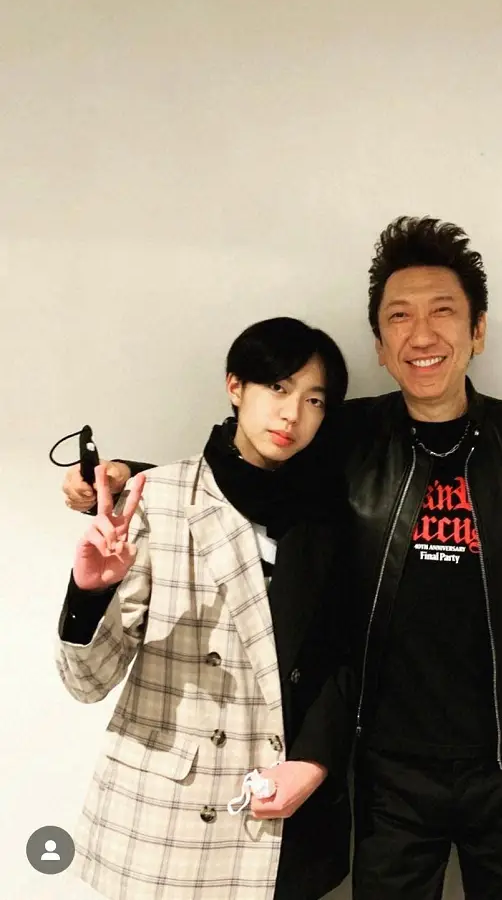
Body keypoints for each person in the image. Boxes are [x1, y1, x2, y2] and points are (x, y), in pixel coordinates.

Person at [63, 216, 502, 900]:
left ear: (478, 331)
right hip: (387, 769)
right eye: (399, 317)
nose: (422, 334)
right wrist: (126, 477)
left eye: (443, 312)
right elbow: (249, 475)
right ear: (381, 347)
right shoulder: (348, 436)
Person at [56, 317, 355, 900]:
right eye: (277, 387)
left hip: (280, 802)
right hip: (170, 811)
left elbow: (341, 656)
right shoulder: (161, 499)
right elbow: (88, 683)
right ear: (235, 386)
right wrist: (90, 594)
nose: (292, 414)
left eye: (314, 399)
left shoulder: (328, 516)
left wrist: (316, 762)